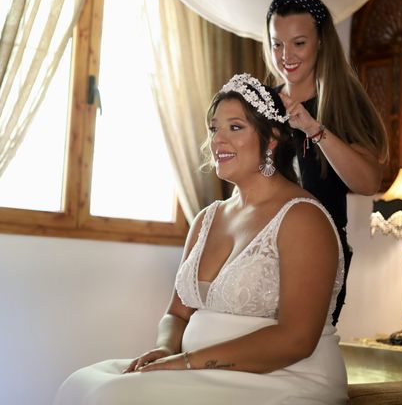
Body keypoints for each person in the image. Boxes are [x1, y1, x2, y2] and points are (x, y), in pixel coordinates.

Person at [53, 73, 348, 405]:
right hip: (201, 374)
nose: (218, 140)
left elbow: (296, 339)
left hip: (286, 379)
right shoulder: (207, 219)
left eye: (235, 127)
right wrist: (166, 349)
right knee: (82, 385)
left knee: (111, 398)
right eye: (214, 128)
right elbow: (177, 314)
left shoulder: (302, 217)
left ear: (271, 139)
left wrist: (185, 362)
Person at [264, 0, 389, 325]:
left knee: (301, 356)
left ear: (321, 42)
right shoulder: (261, 104)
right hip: (261, 253)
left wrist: (314, 130)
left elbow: (368, 181)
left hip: (321, 254)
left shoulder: (344, 101)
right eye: (277, 44)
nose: (285, 56)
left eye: (298, 43)